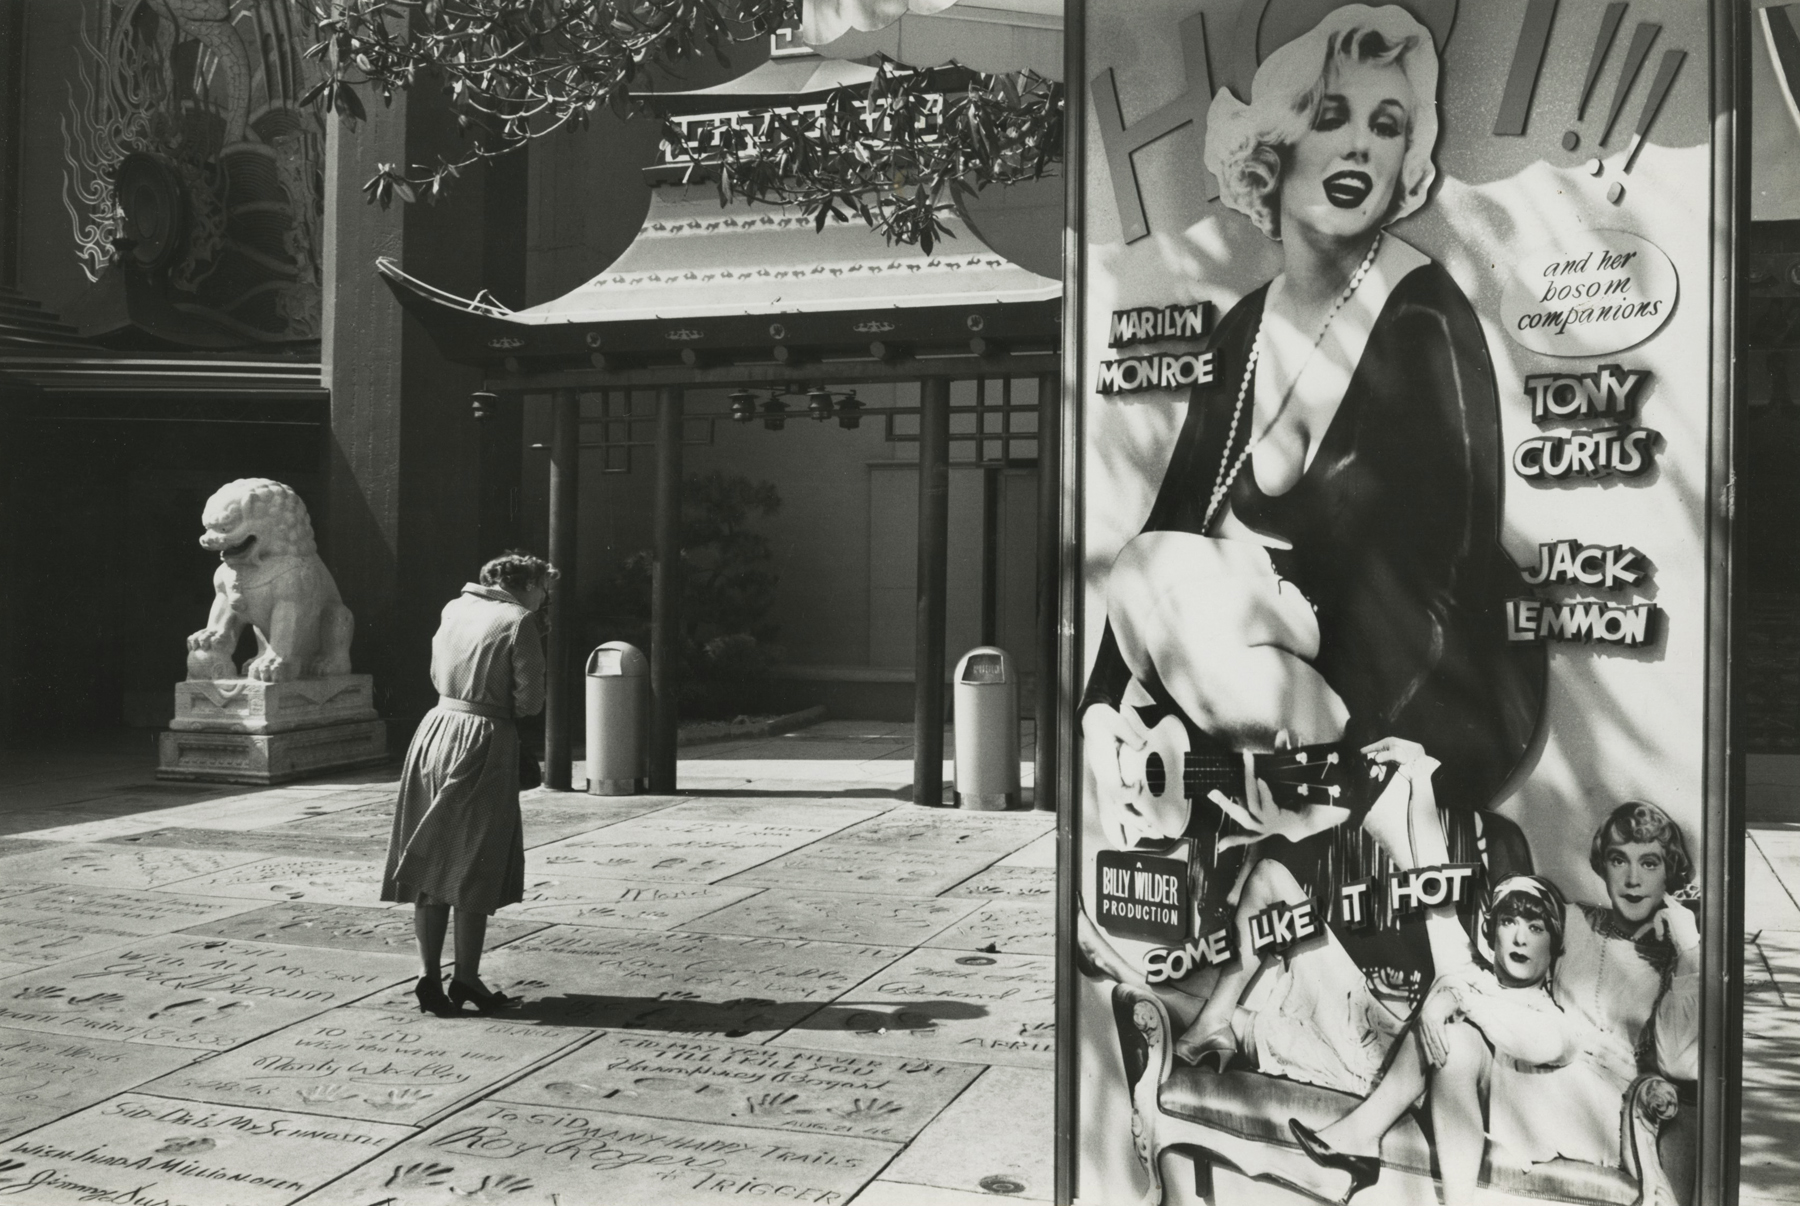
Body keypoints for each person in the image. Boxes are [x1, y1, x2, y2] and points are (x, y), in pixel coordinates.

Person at [1081, 2, 1541, 1055]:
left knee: (1173, 582)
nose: (1359, 147)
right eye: (1332, 115)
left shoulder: (1423, 317)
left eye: (1388, 125)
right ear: (1273, 147)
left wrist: (1352, 753)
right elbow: (1167, 521)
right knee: (1152, 568)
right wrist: (1105, 714)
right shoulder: (1244, 332)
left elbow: (1441, 575)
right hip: (1249, 686)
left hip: (1413, 688)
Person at [1292, 803, 1700, 1203]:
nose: (1631, 879)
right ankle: (1386, 1154)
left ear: (1669, 871)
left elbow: (1679, 1063)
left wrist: (1688, 951)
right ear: (1603, 865)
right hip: (1535, 1067)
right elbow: (1494, 958)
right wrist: (1448, 996)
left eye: (1649, 864)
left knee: (1468, 1032)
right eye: (1618, 860)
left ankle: (1361, 1135)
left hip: (1601, 1110)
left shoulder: (1680, 957)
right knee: (1455, 1044)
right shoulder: (1575, 921)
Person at [382, 551, 555, 1016]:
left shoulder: (454, 608)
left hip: (436, 729)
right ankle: (467, 977)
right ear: (528, 585)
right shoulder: (519, 622)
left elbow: (439, 672)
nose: (546, 599)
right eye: (544, 589)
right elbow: (531, 701)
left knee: (429, 856)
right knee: (475, 859)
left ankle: (427, 976)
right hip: (484, 738)